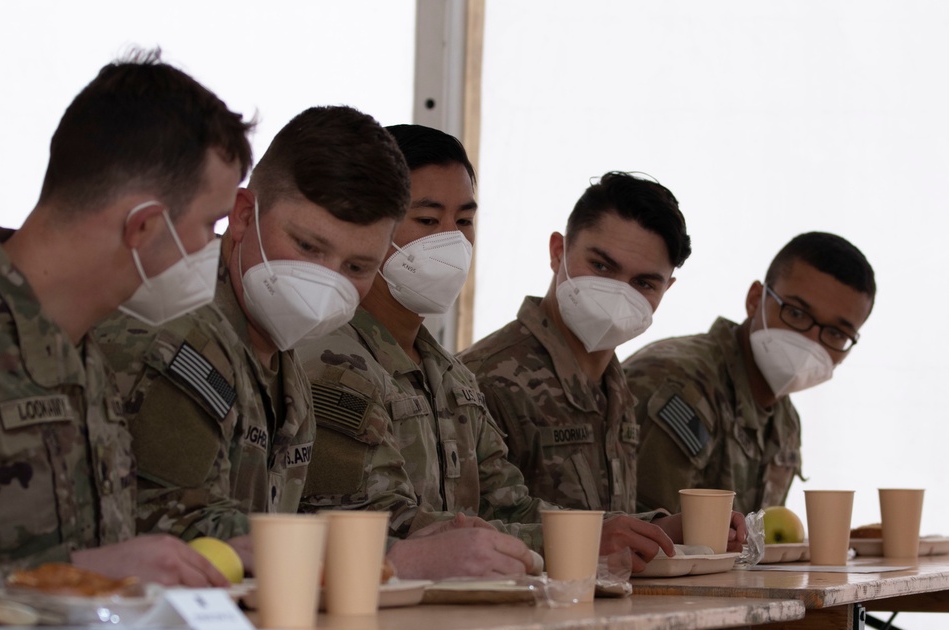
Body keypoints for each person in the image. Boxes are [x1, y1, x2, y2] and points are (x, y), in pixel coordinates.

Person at [298, 126, 686, 580]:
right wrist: (580, 542)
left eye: (464, 221)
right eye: (427, 220)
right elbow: (376, 527)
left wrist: (642, 531)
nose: (451, 240)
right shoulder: (331, 361)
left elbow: (509, 504)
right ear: (365, 225)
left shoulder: (449, 377)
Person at [0, 49, 253, 589]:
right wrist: (66, 576)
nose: (215, 245)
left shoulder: (86, 354)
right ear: (142, 227)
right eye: (210, 224)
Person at [96, 106, 412, 573]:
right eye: (307, 247)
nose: (326, 283)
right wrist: (395, 557)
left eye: (357, 268)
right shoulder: (183, 332)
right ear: (243, 215)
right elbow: (176, 526)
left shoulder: (280, 355)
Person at [460, 172, 689, 517]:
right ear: (557, 252)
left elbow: (608, 534)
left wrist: (663, 531)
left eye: (643, 283)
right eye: (601, 266)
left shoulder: (615, 386)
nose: (618, 293)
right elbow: (464, 534)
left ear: (666, 290)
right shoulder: (483, 382)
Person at [624, 232, 875, 515]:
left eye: (835, 333)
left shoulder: (785, 422)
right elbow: (642, 539)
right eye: (796, 313)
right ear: (755, 299)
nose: (811, 342)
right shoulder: (679, 384)